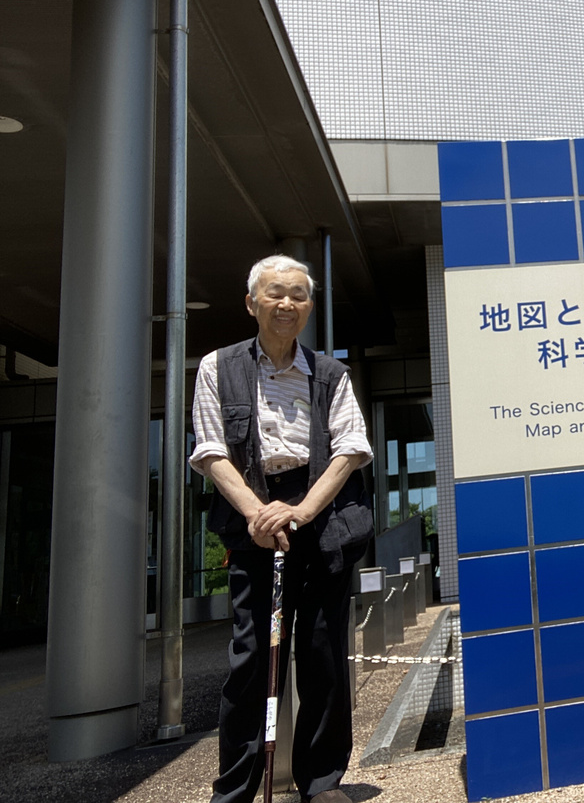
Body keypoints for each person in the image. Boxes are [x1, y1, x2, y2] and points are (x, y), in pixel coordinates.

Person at [190, 255, 374, 803]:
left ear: (310, 307)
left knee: (323, 654)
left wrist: (302, 511)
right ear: (252, 303)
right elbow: (211, 451)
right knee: (251, 658)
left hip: (321, 516)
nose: (287, 303)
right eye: (275, 293)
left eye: (298, 294)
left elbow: (351, 449)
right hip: (252, 514)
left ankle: (322, 782)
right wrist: (258, 513)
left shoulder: (331, 373)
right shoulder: (217, 367)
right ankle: (235, 790)